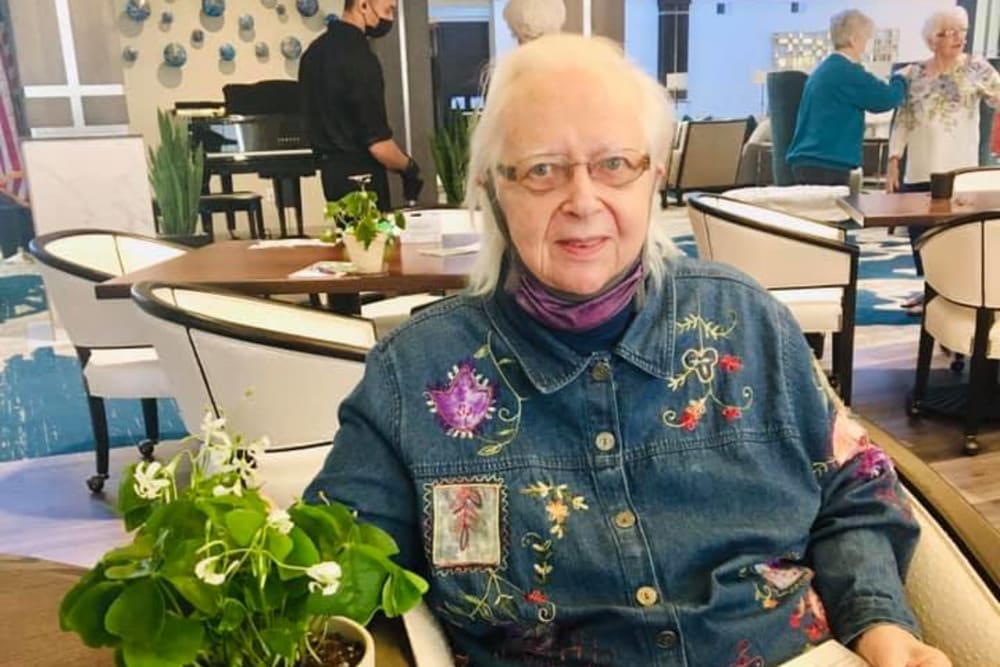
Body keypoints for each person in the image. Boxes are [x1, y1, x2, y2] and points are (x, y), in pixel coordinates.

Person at [305, 34, 950, 667]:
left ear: (654, 180)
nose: (583, 201)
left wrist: (879, 623)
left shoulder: (747, 324)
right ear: (490, 188)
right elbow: (329, 568)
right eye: (541, 170)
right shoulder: (414, 374)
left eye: (614, 164)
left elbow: (852, 495)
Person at [886, 7, 1000, 313]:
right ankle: (930, 289)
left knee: (954, 235)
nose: (957, 37)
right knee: (921, 234)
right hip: (920, 167)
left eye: (960, 30)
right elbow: (904, 120)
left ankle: (952, 293)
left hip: (959, 171)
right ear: (932, 39)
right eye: (947, 32)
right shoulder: (912, 74)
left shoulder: (977, 68)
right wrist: (893, 159)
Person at [299, 0, 423, 210]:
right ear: (363, 5)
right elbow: (379, 145)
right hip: (362, 176)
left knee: (345, 240)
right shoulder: (360, 58)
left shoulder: (312, 53)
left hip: (331, 177)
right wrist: (409, 167)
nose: (390, 19)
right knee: (373, 241)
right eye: (388, 10)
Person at [787, 10, 907, 186]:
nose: (865, 46)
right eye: (865, 39)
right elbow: (886, 99)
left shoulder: (823, 70)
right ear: (853, 39)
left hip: (808, 160)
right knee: (831, 213)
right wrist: (901, 78)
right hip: (827, 162)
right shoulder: (847, 71)